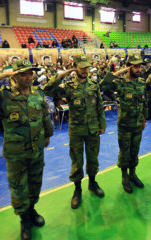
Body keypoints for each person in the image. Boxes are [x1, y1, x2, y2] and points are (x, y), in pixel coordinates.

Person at [0, 60, 53, 240]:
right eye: (24, 74)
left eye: (31, 73)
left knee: (35, 186)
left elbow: (44, 117)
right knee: (19, 190)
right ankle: (24, 221)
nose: (28, 77)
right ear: (15, 76)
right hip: (16, 153)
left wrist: (47, 135)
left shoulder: (38, 94)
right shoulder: (3, 95)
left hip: (36, 151)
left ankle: (31, 210)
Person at [43, 54, 106, 209]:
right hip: (77, 130)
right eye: (82, 67)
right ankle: (77, 189)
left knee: (93, 158)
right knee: (77, 161)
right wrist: (62, 74)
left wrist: (102, 124)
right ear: (75, 67)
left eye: (87, 67)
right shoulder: (69, 86)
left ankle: (92, 182)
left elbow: (99, 105)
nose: (85, 70)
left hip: (92, 129)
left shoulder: (93, 85)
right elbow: (47, 90)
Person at [101, 55, 147, 194]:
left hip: (138, 124)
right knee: (124, 152)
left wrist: (144, 118)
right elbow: (103, 85)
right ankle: (124, 176)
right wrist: (119, 72)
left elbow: (143, 102)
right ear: (129, 67)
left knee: (134, 151)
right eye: (135, 66)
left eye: (139, 66)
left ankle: (133, 174)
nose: (138, 69)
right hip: (125, 125)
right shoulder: (120, 82)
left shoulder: (141, 82)